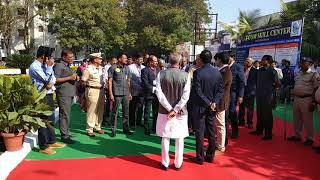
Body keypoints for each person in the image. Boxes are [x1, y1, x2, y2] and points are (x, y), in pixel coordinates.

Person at [155, 53, 191, 171]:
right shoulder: (186, 75)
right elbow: (186, 96)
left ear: (169, 61)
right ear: (180, 62)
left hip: (165, 111)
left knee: (165, 137)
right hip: (180, 112)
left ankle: (165, 163)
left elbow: (159, 94)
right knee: (179, 138)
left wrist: (169, 108)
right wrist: (175, 109)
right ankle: (178, 163)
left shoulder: (161, 74)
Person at [29, 46, 65, 155]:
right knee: (43, 120)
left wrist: (49, 81)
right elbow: (46, 79)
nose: (52, 59)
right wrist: (49, 69)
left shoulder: (44, 65)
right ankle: (43, 146)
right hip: (41, 95)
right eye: (50, 56)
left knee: (50, 118)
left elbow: (52, 80)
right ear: (43, 56)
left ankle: (51, 141)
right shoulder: (35, 66)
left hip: (48, 94)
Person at [191, 50, 224, 165]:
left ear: (201, 59)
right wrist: (214, 102)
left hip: (201, 106)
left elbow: (197, 91)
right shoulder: (217, 72)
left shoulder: (197, 72)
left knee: (200, 132)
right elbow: (220, 90)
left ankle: (200, 158)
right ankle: (210, 156)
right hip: (212, 107)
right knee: (210, 131)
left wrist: (209, 102)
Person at [287, 57, 320, 146]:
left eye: (303, 62)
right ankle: (297, 135)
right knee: (297, 118)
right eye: (301, 62)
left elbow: (316, 88)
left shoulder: (314, 74)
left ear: (309, 64)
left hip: (307, 99)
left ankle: (310, 138)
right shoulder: (298, 73)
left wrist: (313, 101)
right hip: (296, 98)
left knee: (307, 120)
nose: (301, 64)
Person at [250, 55, 280, 140]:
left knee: (267, 114)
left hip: (268, 96)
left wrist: (271, 89)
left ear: (267, 61)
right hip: (259, 95)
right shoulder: (260, 71)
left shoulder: (272, 71)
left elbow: (278, 83)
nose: (261, 61)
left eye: (263, 59)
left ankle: (268, 133)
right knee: (259, 113)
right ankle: (259, 130)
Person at [54, 49, 77, 144]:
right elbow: (55, 79)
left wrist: (75, 77)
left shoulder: (67, 65)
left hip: (69, 93)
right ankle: (64, 136)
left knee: (67, 114)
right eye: (70, 57)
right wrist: (70, 77)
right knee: (64, 115)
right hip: (63, 93)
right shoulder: (59, 65)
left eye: (72, 57)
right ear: (64, 57)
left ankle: (66, 132)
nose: (72, 59)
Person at [108, 53, 133, 137]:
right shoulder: (113, 67)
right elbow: (110, 81)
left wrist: (129, 93)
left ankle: (126, 129)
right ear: (119, 59)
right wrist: (111, 94)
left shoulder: (127, 68)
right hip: (117, 93)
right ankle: (113, 129)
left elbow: (129, 81)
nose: (126, 59)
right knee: (115, 112)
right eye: (124, 58)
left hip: (126, 92)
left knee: (126, 112)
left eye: (126, 58)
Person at [82, 53, 105, 137]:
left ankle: (98, 126)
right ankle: (89, 129)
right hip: (92, 89)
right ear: (95, 60)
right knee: (92, 109)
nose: (101, 60)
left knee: (100, 109)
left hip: (101, 90)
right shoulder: (88, 69)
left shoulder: (101, 69)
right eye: (99, 59)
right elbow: (83, 81)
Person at [214, 52, 232, 153]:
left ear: (220, 59)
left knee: (220, 124)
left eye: (216, 59)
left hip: (220, 101)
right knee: (217, 124)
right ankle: (218, 143)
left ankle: (221, 146)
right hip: (218, 100)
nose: (215, 61)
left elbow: (219, 87)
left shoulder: (225, 71)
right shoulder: (221, 70)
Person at [228, 52, 245, 139]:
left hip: (234, 93)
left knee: (232, 112)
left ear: (232, 58)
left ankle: (235, 131)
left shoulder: (238, 67)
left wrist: (241, 96)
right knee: (226, 113)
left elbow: (242, 82)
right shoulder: (225, 66)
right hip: (225, 94)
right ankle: (226, 131)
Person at [141, 55, 160, 135]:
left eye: (156, 61)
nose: (156, 62)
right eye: (155, 61)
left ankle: (155, 127)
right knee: (147, 112)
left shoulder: (158, 70)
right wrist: (153, 89)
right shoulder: (144, 70)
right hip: (149, 94)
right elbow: (145, 83)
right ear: (150, 62)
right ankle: (146, 128)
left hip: (157, 95)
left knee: (156, 112)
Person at [238, 58, 257, 129]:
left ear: (252, 63)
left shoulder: (255, 71)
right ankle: (241, 121)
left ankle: (249, 122)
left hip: (251, 92)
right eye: (246, 61)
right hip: (242, 91)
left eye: (248, 62)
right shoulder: (242, 70)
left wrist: (254, 90)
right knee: (241, 107)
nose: (247, 62)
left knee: (250, 108)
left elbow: (257, 82)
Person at [128, 53, 145, 129]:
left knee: (141, 107)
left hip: (142, 91)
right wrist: (137, 86)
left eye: (142, 59)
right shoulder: (130, 67)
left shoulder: (144, 67)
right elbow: (129, 79)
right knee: (132, 107)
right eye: (140, 59)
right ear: (135, 59)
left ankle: (139, 121)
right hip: (133, 90)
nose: (141, 61)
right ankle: (131, 123)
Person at [103, 56, 118, 124]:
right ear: (110, 61)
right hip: (109, 88)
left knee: (113, 104)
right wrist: (109, 87)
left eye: (116, 60)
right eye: (113, 60)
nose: (115, 62)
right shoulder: (107, 67)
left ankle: (111, 118)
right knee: (108, 104)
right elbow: (106, 78)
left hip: (115, 88)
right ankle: (105, 118)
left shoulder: (116, 67)